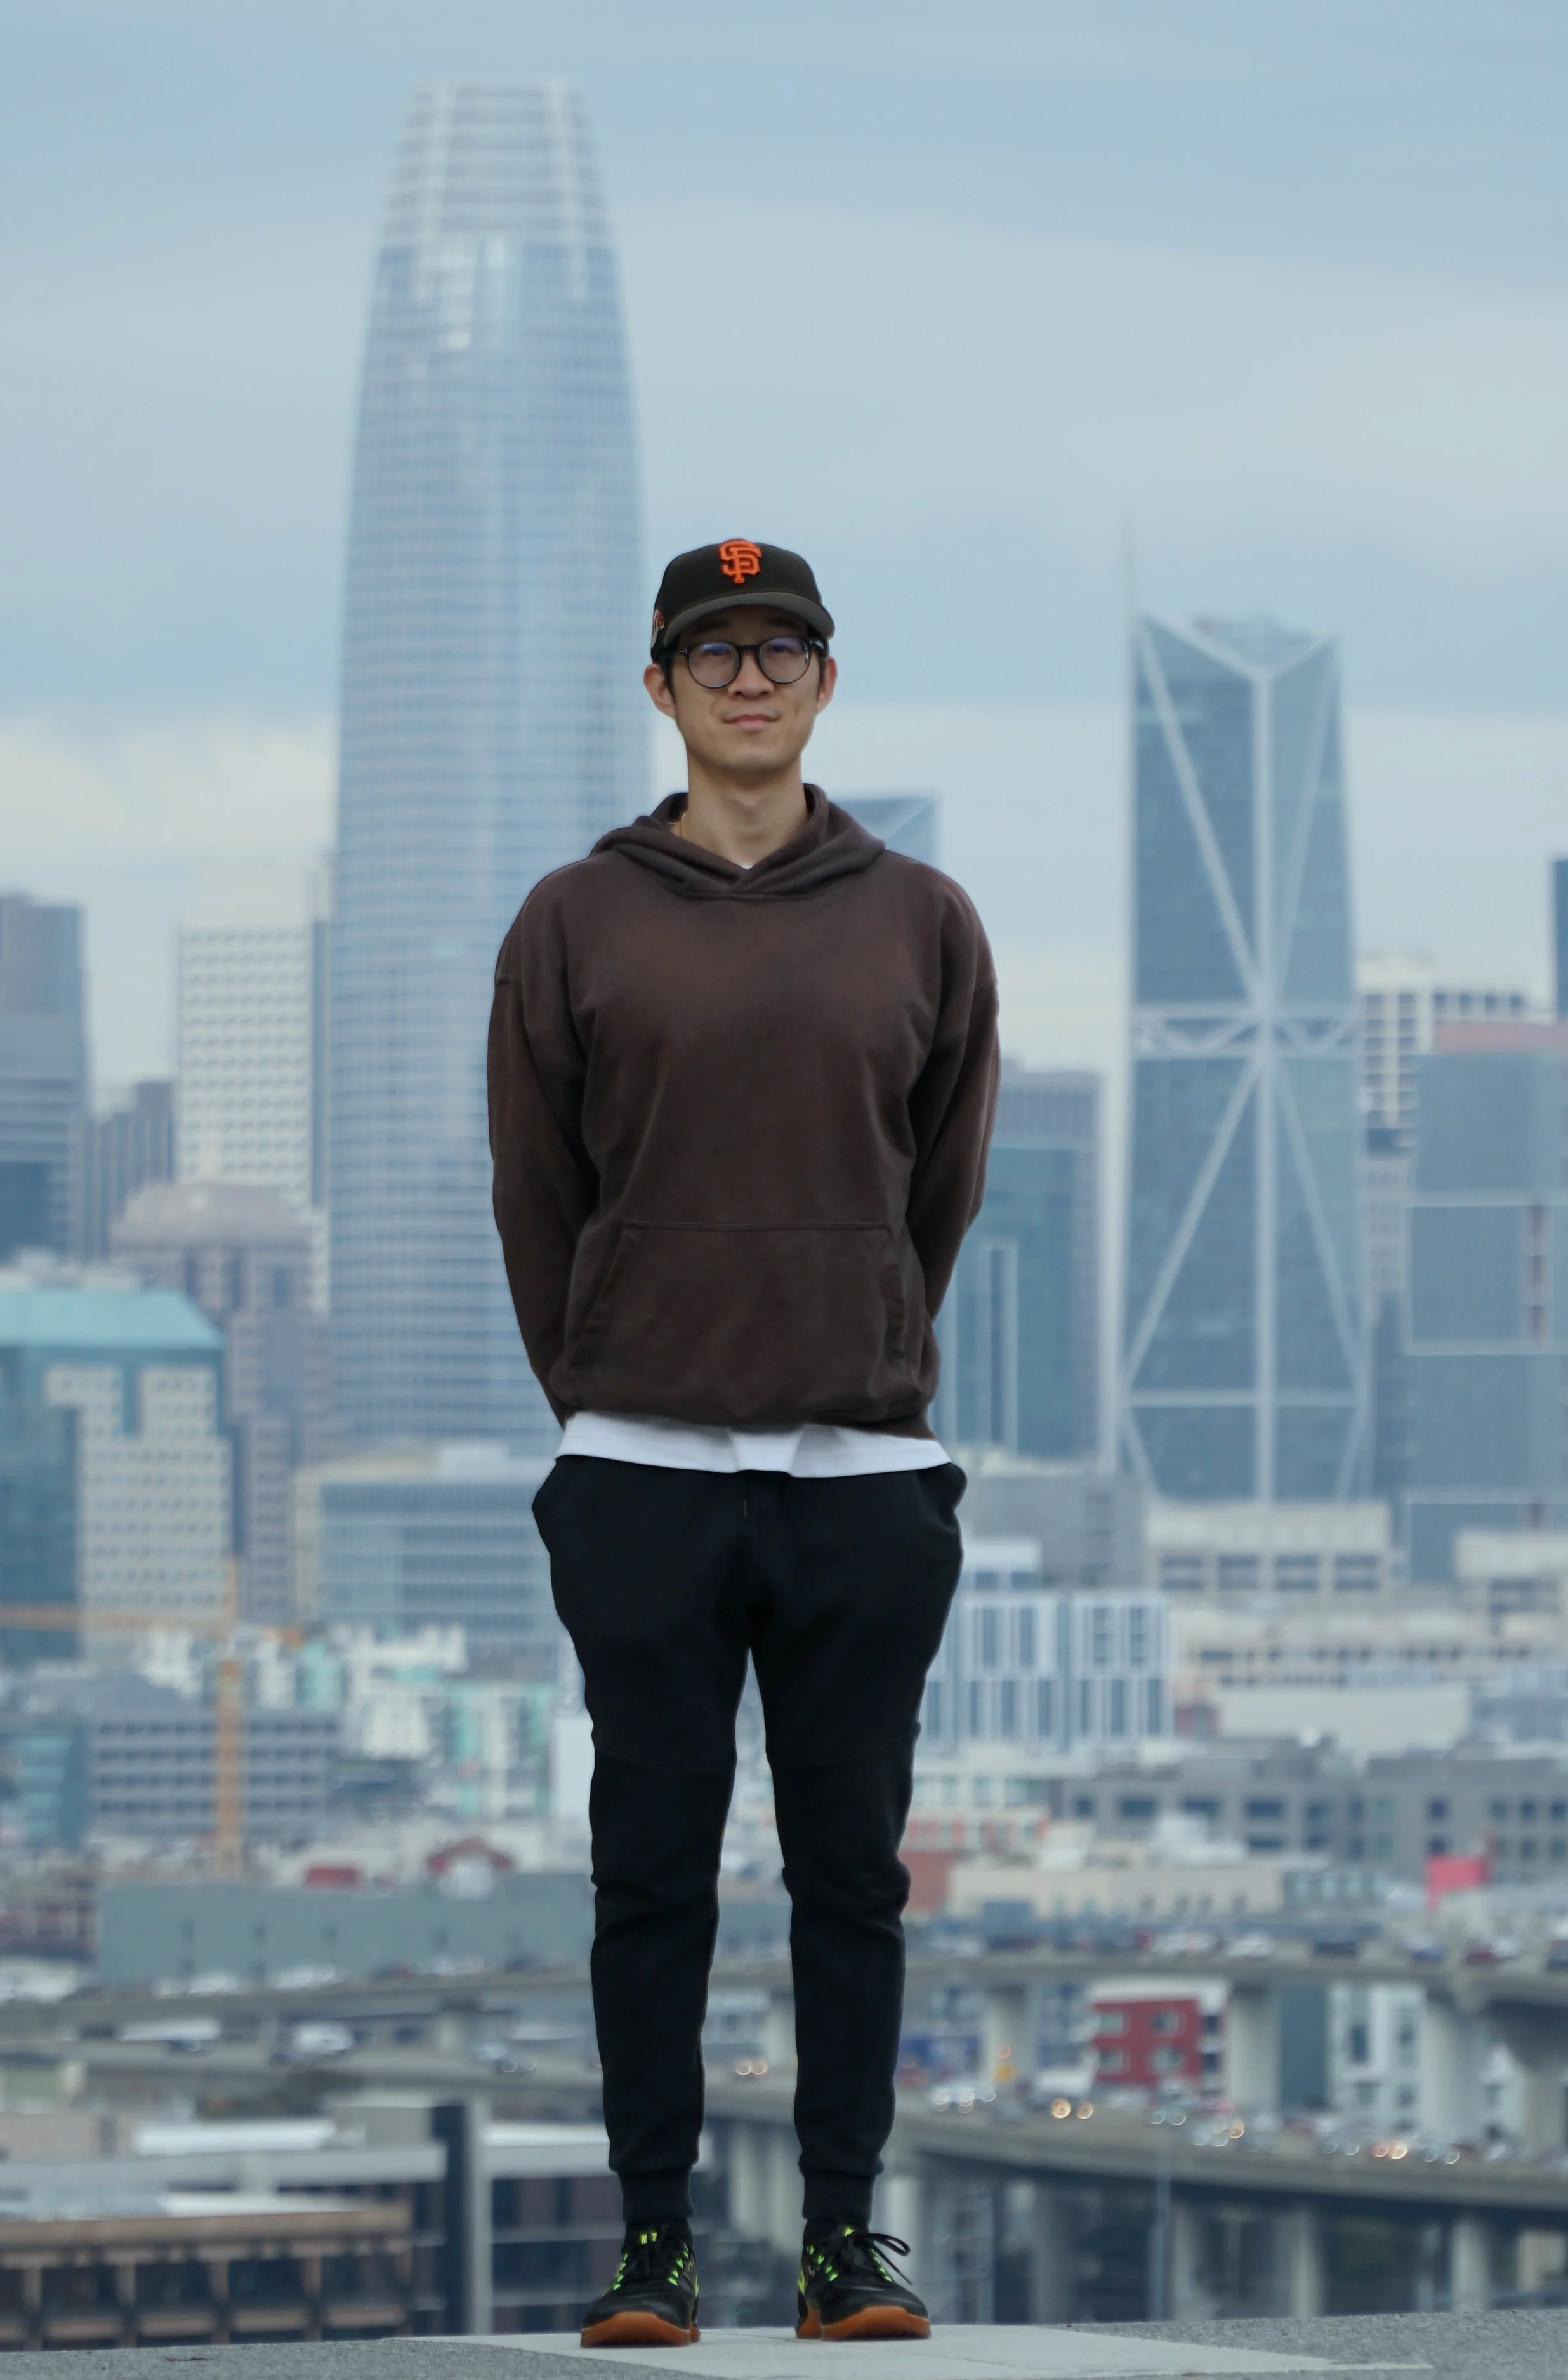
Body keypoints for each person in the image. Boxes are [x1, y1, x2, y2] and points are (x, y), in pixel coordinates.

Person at [487, 538, 998, 2345]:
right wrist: (610, 1374)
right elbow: (532, 1188)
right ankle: (654, 2244)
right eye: (714, 652)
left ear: (824, 682)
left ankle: (844, 2239)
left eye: (781, 647)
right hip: (637, 1469)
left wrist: (855, 1322)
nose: (750, 676)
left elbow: (937, 1185)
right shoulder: (573, 915)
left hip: (864, 1476)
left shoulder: (921, 916)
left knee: (849, 1872)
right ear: (660, 689)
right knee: (652, 1867)